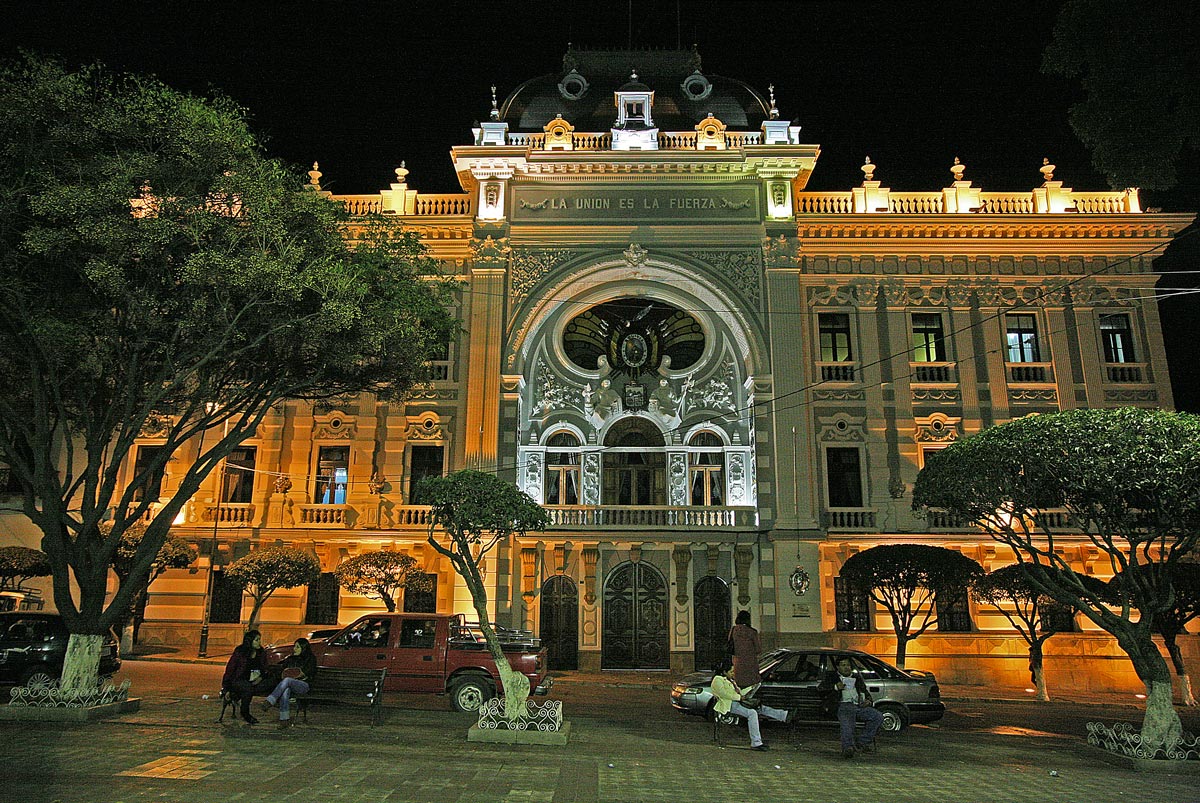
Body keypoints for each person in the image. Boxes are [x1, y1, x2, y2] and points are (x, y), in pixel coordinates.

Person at [711, 657, 792, 750]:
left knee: (759, 708)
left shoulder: (730, 680)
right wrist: (739, 697)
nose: (733, 673)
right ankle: (756, 742)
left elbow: (739, 692)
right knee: (752, 713)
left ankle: (783, 715)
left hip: (737, 701)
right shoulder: (717, 680)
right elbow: (723, 694)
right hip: (728, 704)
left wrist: (751, 688)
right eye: (731, 671)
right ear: (724, 672)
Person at [821, 656, 885, 758]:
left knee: (878, 716)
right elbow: (821, 688)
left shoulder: (857, 678)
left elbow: (866, 693)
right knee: (848, 716)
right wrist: (836, 687)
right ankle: (848, 747)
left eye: (848, 665)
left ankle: (861, 742)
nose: (847, 668)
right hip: (842, 705)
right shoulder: (832, 677)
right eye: (843, 665)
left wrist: (868, 701)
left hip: (858, 705)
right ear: (838, 667)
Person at [261, 637, 317, 728]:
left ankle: (270, 700)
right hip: (289, 685)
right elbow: (282, 670)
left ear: (304, 648)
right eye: (294, 646)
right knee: (285, 690)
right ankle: (284, 720)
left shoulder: (310, 659)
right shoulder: (290, 658)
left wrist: (293, 674)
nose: (294, 649)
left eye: (297, 647)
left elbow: (305, 673)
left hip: (303, 685)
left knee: (287, 680)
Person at [222, 629, 267, 725]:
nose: (259, 642)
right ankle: (245, 712)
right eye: (257, 640)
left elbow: (264, 668)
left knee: (271, 683)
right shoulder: (240, 652)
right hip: (240, 679)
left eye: (260, 639)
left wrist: (260, 678)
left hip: (256, 680)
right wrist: (226, 688)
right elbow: (230, 669)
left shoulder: (261, 652)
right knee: (247, 688)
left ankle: (236, 695)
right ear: (250, 641)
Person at [728, 610, 762, 689]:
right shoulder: (752, 632)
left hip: (737, 662)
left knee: (739, 685)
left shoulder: (733, 630)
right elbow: (758, 649)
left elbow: (730, 643)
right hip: (750, 664)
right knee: (750, 687)